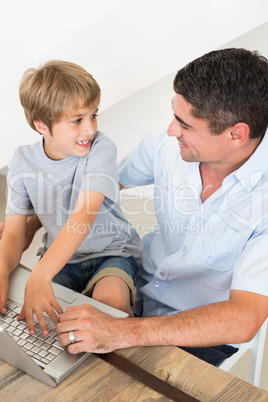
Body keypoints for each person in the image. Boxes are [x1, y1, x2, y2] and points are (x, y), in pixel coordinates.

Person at [53, 48, 268, 366]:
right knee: (47, 351)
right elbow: (103, 189)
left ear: (237, 134)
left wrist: (122, 331)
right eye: (174, 115)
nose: (171, 130)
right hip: (138, 284)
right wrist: (28, 224)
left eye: (185, 124)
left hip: (198, 328)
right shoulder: (169, 145)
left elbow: (242, 318)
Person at [0, 60, 142, 336]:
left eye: (93, 115)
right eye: (77, 120)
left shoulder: (101, 148)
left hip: (111, 253)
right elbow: (15, 234)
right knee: (43, 320)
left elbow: (83, 216)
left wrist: (41, 274)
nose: (89, 128)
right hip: (61, 260)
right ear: (42, 126)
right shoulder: (21, 162)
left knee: (109, 308)